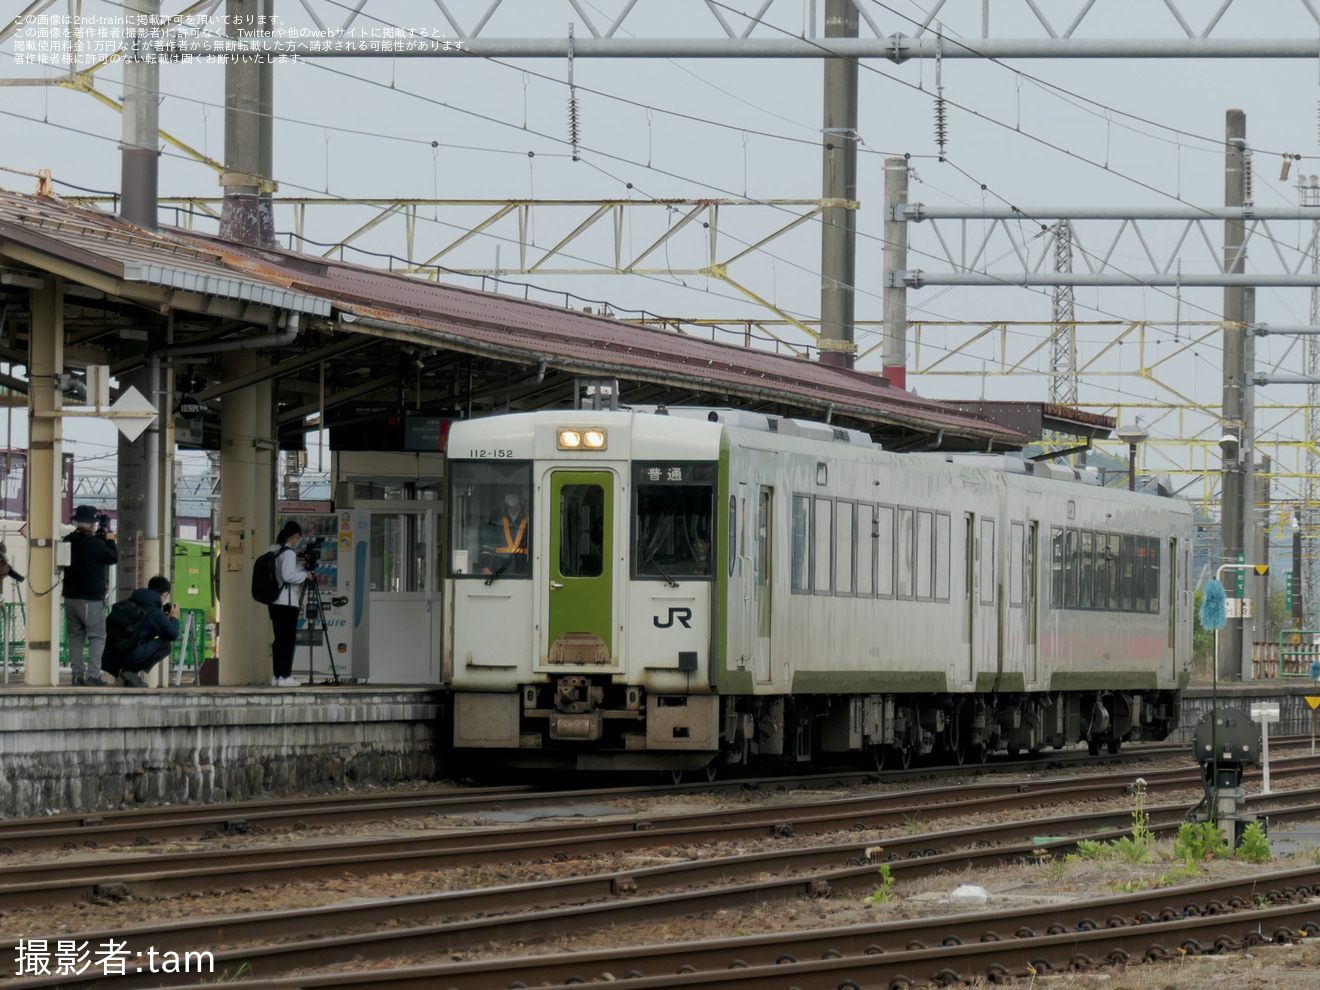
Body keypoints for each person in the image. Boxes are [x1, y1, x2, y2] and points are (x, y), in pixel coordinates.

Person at [63, 504, 118, 687]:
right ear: (92, 525)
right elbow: (112, 558)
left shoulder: (67, 540)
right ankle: (93, 675)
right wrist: (110, 540)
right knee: (97, 636)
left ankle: (77, 676)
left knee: (75, 638)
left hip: (70, 597)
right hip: (90, 599)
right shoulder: (95, 544)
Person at [102, 575, 181, 688]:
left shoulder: (128, 603)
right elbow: (172, 634)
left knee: (142, 640)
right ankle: (132, 672)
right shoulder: (154, 613)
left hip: (108, 656)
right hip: (127, 656)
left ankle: (130, 676)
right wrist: (174, 618)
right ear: (165, 594)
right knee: (165, 645)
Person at [267, 520, 309, 687]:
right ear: (296, 536)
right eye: (299, 538)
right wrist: (305, 576)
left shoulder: (274, 549)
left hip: (274, 602)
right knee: (287, 640)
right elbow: (288, 575)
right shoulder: (289, 552)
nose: (299, 541)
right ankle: (285, 676)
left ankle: (277, 676)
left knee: (279, 640)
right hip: (287, 603)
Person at [481, 485, 530, 575]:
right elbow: (488, 542)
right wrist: (486, 566)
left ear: (520, 497)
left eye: (514, 494)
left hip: (523, 565)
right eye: (509, 494)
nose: (511, 497)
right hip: (500, 564)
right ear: (505, 497)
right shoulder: (496, 515)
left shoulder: (529, 515)